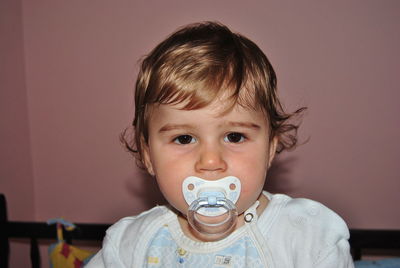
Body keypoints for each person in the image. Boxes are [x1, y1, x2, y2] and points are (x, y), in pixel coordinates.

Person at [86, 21, 354, 267]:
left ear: (270, 148)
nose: (211, 161)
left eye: (235, 136)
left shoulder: (307, 238)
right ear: (147, 156)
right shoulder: (128, 248)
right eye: (184, 138)